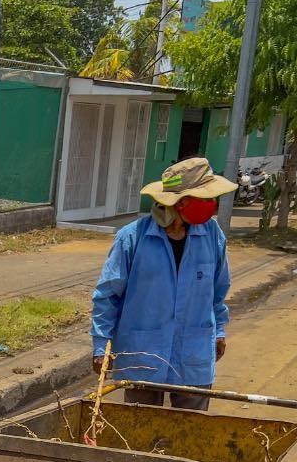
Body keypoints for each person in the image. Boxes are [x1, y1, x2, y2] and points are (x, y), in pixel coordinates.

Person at [90, 157, 235, 411]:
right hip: (143, 353)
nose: (212, 206)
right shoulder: (132, 238)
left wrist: (219, 331)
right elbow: (107, 296)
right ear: (181, 203)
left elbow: (218, 290)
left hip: (194, 350)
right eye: (206, 199)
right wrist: (101, 346)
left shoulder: (212, 235)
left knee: (190, 430)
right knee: (141, 430)